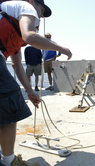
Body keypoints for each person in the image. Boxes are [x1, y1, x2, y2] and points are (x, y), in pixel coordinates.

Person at [0, 0, 72, 166]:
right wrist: (61, 48)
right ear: (32, 2)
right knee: (11, 107)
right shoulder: (26, 6)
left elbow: (16, 65)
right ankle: (9, 162)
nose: (40, 15)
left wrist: (30, 91)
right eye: (41, 10)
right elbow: (30, 36)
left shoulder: (13, 27)